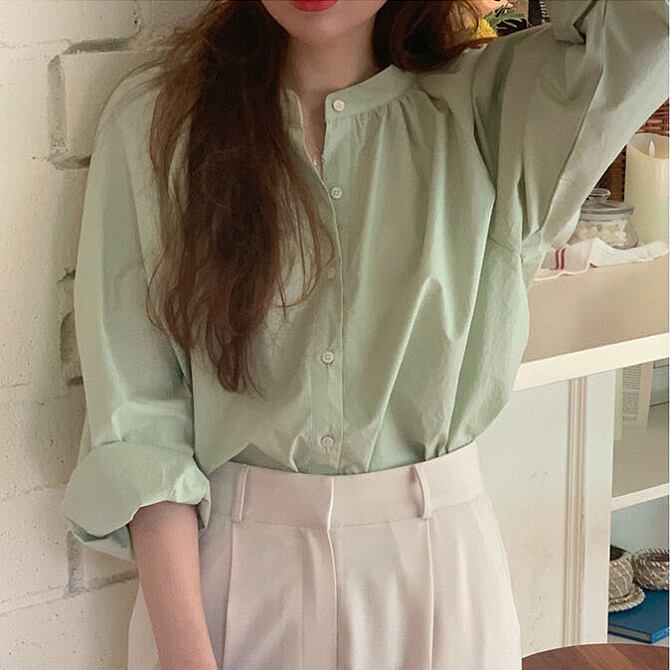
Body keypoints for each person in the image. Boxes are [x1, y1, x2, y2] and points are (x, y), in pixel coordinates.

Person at [60, 1, 669, 669]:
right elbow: (141, 424)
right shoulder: (159, 123)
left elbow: (646, 24)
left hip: (434, 579)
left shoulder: (497, 111)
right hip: (225, 584)